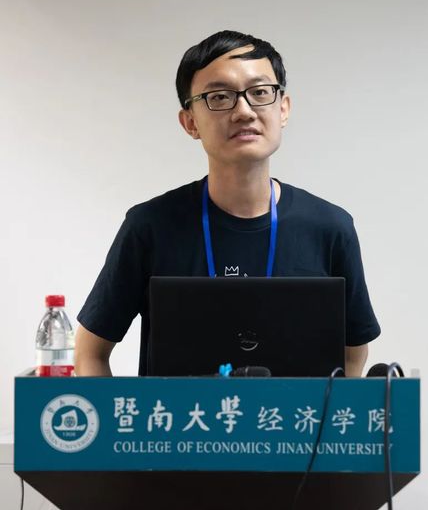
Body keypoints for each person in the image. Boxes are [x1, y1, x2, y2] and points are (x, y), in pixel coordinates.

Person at [75, 30, 380, 377]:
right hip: (179, 415)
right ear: (190, 122)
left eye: (260, 92)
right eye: (220, 97)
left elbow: (353, 354)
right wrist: (119, 415)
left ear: (283, 109)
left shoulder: (330, 227)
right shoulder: (149, 226)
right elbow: (90, 353)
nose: (244, 111)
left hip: (293, 415)